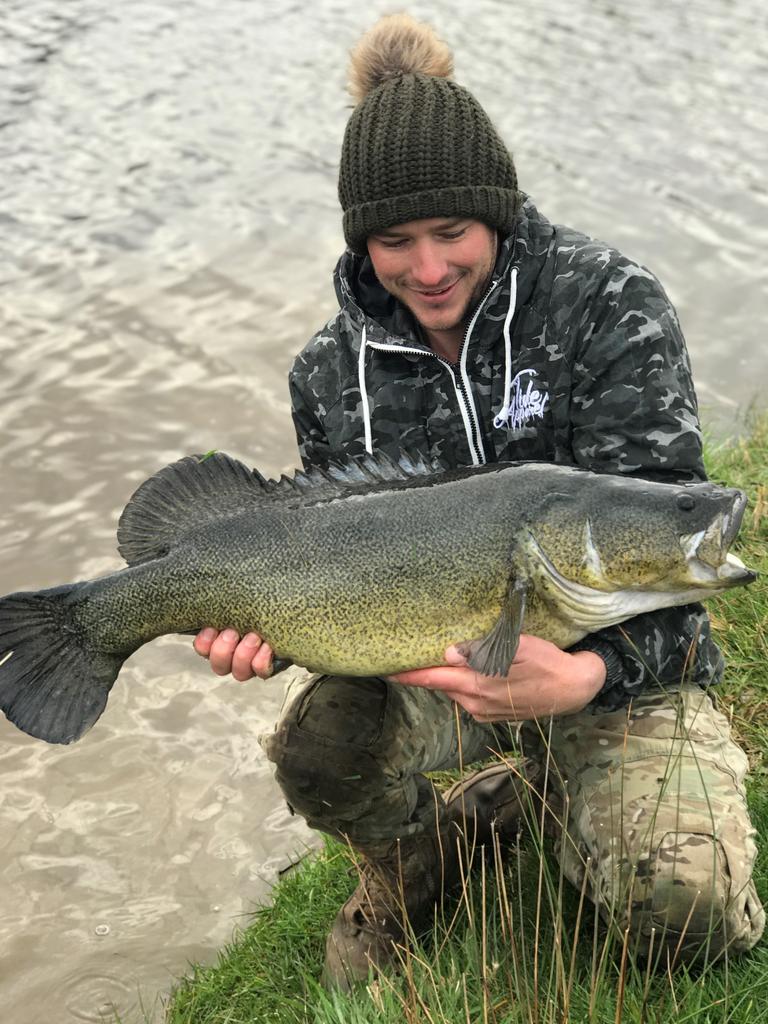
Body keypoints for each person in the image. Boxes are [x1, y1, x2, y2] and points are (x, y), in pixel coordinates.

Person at [194, 14, 764, 989]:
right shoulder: (330, 375)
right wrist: (267, 628)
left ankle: (557, 784)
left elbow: (674, 558)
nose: (427, 268)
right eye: (394, 240)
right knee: (320, 747)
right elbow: (338, 580)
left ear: (495, 211)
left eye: (451, 231)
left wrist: (585, 680)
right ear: (359, 239)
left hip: (614, 670)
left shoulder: (608, 302)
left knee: (685, 907)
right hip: (445, 668)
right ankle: (420, 866)